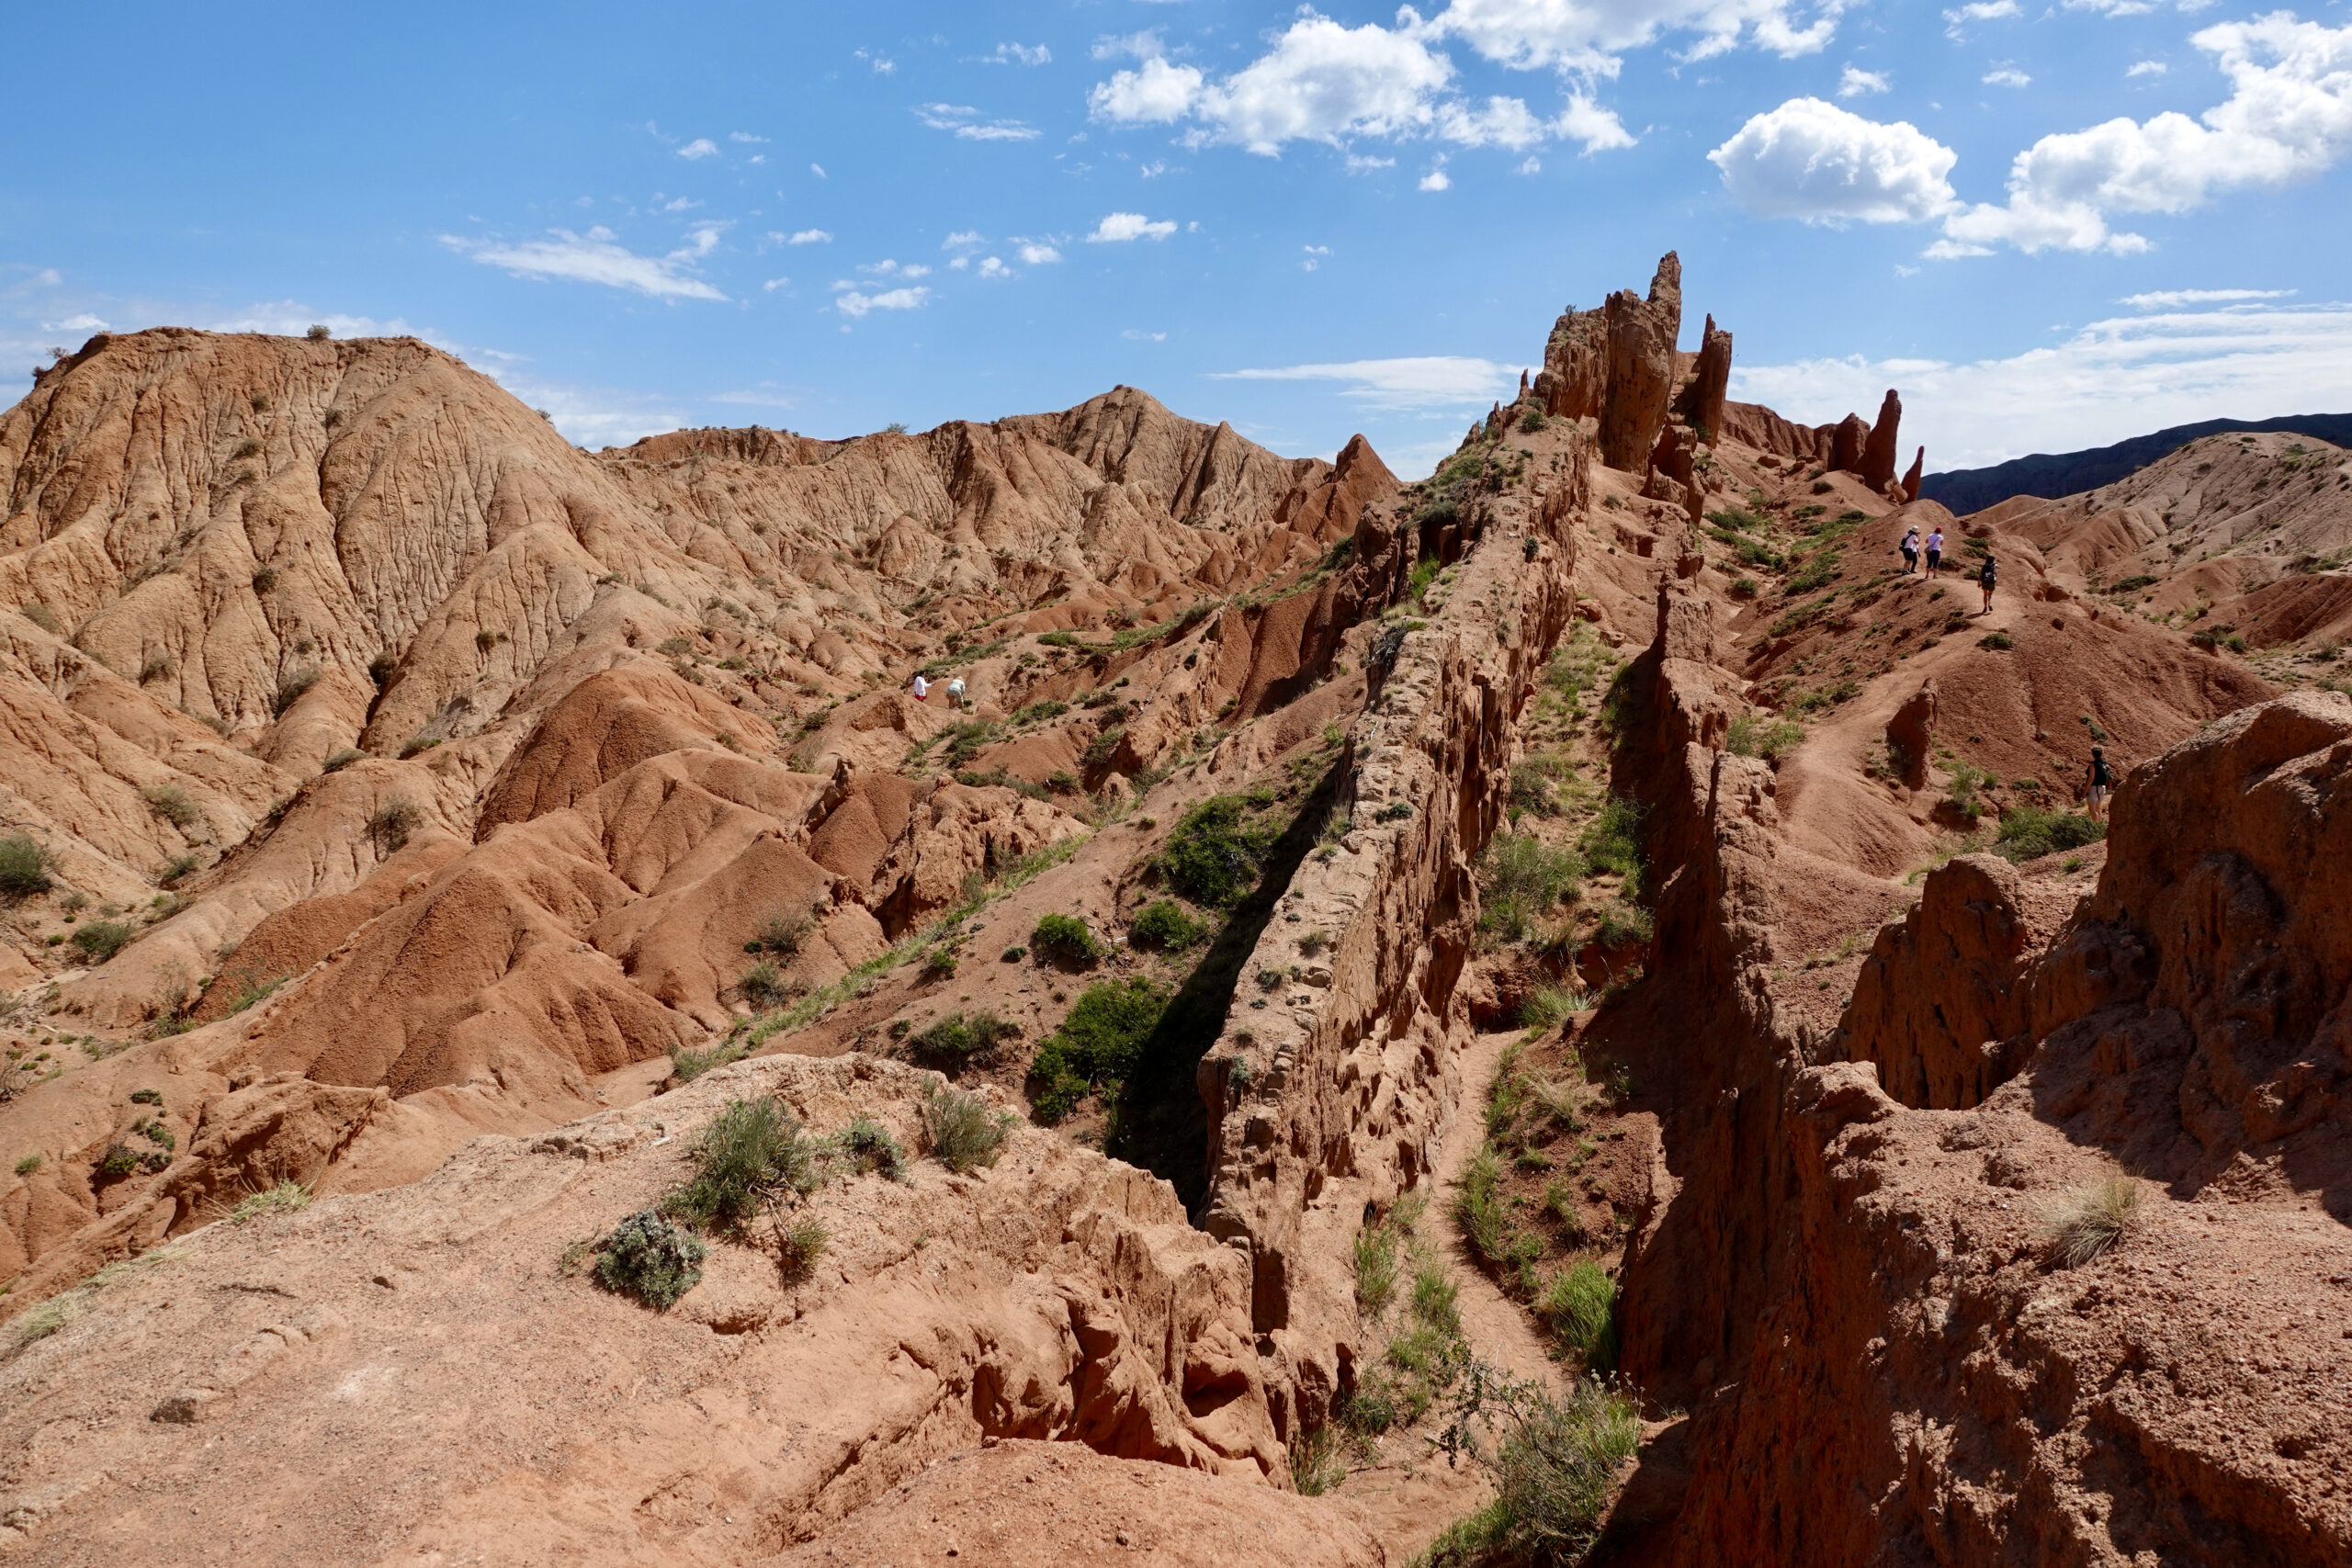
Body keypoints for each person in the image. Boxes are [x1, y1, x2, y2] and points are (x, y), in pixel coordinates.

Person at [2086, 746, 2115, 822]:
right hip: (2102, 787)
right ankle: (2099, 825)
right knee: (2098, 807)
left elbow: (2091, 778)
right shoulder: (2105, 763)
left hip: (2094, 788)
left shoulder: (2093, 765)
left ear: (2093, 754)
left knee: (2092, 809)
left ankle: (2095, 827)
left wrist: (2084, 791)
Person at [1977, 548, 1997, 615]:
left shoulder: (1984, 566)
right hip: (1992, 582)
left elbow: (1980, 574)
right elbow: (1997, 566)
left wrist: (1979, 582)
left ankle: (1985, 607)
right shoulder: (1994, 565)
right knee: (1990, 595)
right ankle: (1990, 603)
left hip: (1985, 582)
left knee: (1985, 595)